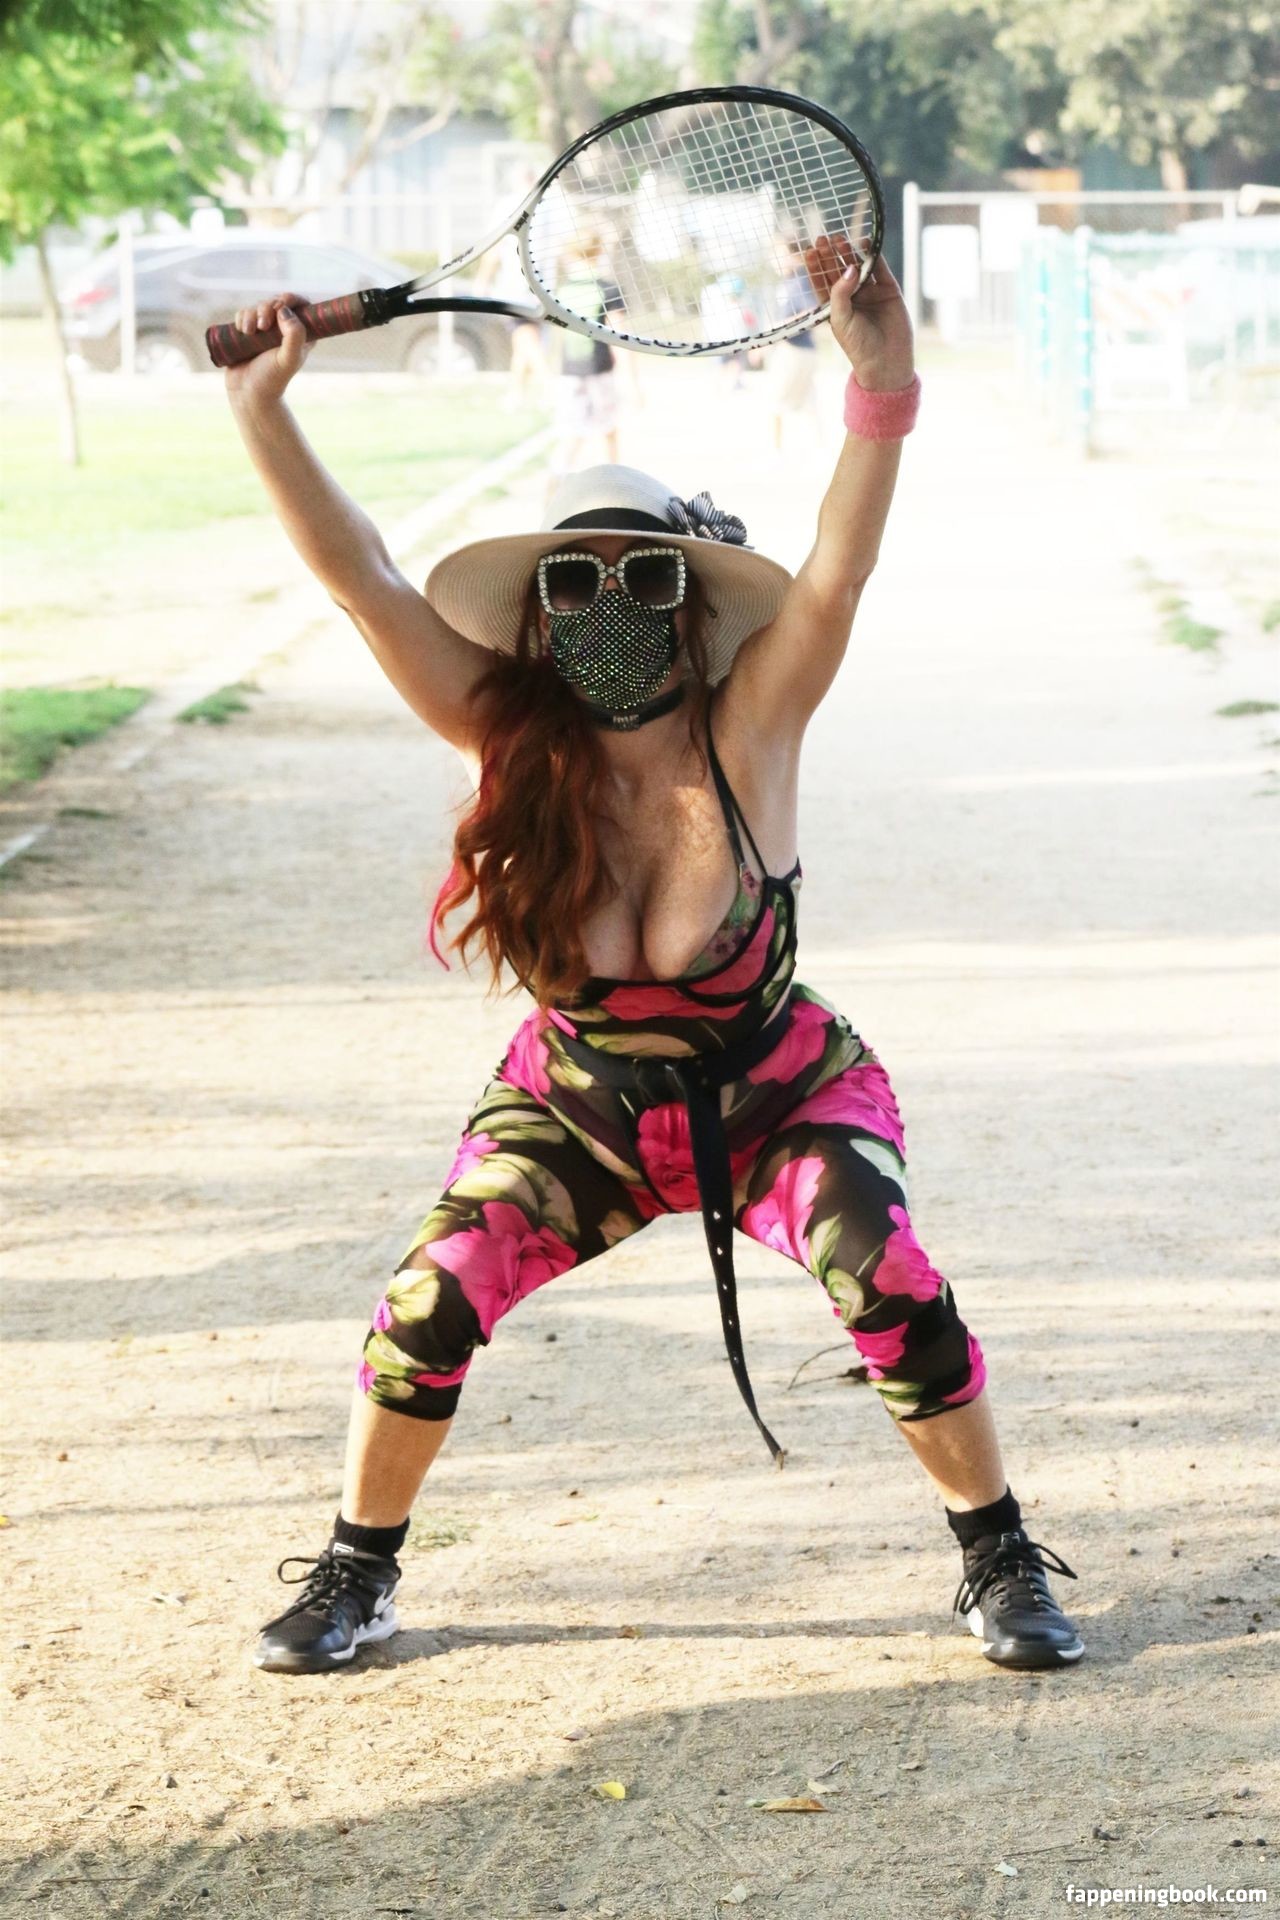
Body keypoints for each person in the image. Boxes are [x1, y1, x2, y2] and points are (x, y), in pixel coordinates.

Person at [223, 237, 1084, 1678]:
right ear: (537, 612)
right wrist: (263, 410)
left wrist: (881, 381)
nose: (608, 601)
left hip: (778, 1095)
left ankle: (995, 1553)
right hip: (579, 1105)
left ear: (688, 600)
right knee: (432, 1295)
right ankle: (357, 1570)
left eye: (641, 574)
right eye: (574, 578)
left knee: (883, 1270)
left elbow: (839, 572)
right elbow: (365, 580)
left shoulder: (753, 726)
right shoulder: (501, 733)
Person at [768, 236, 823, 452]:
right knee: (807, 402)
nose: (775, 260)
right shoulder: (789, 282)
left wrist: (781, 327)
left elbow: (813, 311)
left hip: (795, 351)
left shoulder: (801, 281)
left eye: (780, 255)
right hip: (799, 350)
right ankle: (818, 449)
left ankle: (776, 451)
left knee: (776, 402)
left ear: (796, 256)